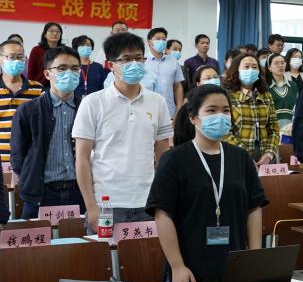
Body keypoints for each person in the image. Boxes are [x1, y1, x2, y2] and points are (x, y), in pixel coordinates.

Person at [148, 83, 265, 282]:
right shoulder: (174, 159)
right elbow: (162, 214)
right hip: (190, 270)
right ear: (193, 118)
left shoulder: (241, 157)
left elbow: (254, 207)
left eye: (225, 110)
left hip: (235, 265)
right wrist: (177, 266)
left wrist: (254, 257)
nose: (220, 116)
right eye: (211, 110)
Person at [74, 32, 172, 228]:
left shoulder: (158, 102)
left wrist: (162, 199)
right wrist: (91, 206)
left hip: (147, 202)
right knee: (105, 250)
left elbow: (163, 154)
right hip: (107, 203)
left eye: (138, 58)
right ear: (111, 65)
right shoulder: (93, 102)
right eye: (126, 59)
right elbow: (82, 158)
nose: (134, 64)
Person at [10, 46, 84, 216]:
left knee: (80, 234)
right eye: (62, 68)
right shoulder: (28, 111)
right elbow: (18, 157)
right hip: (41, 194)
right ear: (47, 74)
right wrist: (32, 176)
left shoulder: (87, 109)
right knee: (37, 233)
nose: (69, 73)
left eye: (74, 68)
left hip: (79, 192)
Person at [1, 38, 45, 221]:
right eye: (11, 57)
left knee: (26, 217)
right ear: (1, 59)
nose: (17, 61)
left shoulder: (37, 89)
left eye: (20, 57)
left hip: (28, 164)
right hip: (1, 161)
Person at [221, 53, 279, 166]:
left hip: (264, 156)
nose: (251, 70)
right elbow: (224, 132)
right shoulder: (227, 96)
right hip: (236, 154)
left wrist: (269, 154)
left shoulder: (266, 95)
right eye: (246, 67)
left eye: (254, 67)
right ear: (236, 70)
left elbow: (274, 128)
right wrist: (244, 155)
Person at [145, 26, 184, 117]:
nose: (161, 41)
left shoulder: (173, 61)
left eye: (164, 39)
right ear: (149, 42)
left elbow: (178, 86)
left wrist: (179, 107)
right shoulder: (142, 61)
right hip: (146, 110)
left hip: (169, 110)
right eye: (158, 39)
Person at [266, 53, 297, 138]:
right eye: (276, 63)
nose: (280, 65)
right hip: (271, 130)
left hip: (291, 129)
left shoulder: (293, 85)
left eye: (282, 63)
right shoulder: (265, 87)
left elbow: (297, 108)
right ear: (269, 68)